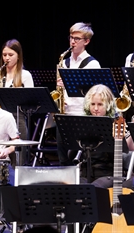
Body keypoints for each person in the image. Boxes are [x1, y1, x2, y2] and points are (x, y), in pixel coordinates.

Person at [56, 22, 101, 166]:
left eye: (77, 39)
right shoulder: (65, 62)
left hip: (82, 114)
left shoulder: (92, 64)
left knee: (77, 156)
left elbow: (96, 92)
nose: (72, 42)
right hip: (66, 112)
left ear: (86, 41)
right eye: (71, 38)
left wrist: (70, 85)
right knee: (62, 154)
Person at [0, 39, 34, 165]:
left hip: (17, 118)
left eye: (11, 55)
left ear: (18, 56)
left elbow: (31, 101)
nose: (7, 58)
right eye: (5, 55)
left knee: (18, 160)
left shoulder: (25, 75)